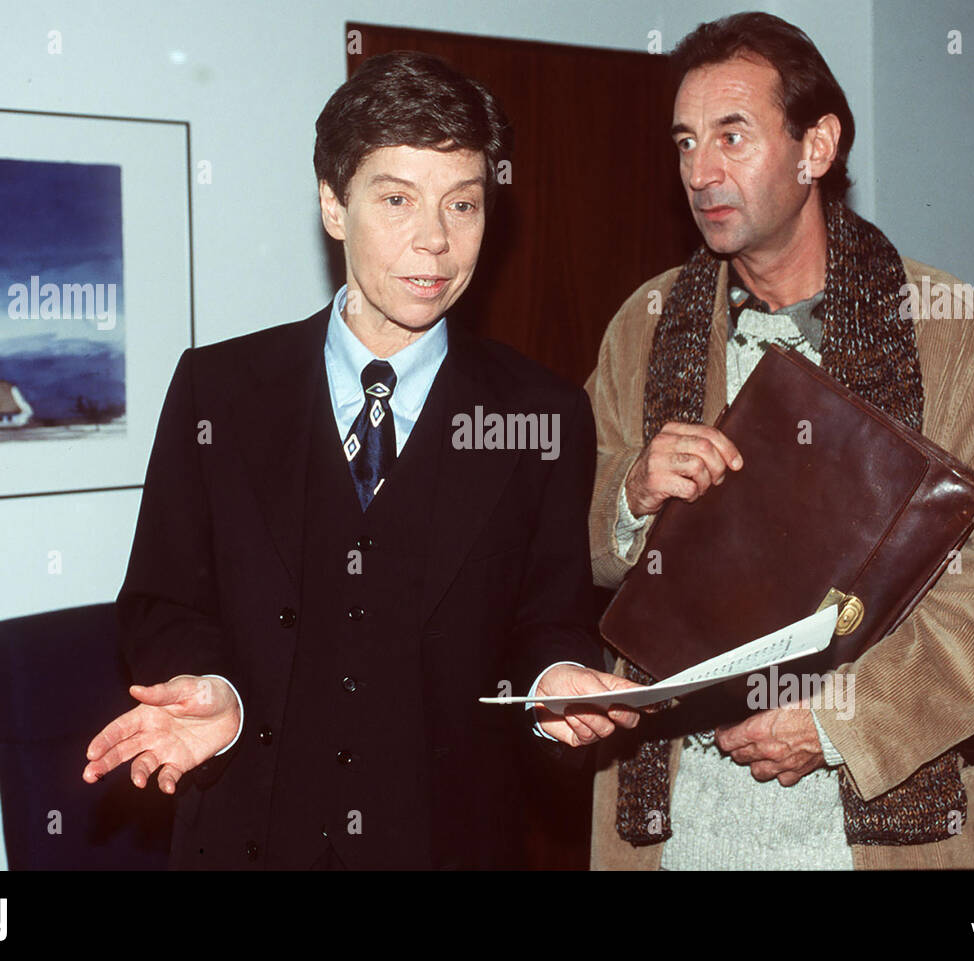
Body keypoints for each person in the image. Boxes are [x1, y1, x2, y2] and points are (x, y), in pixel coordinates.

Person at [81, 50, 639, 870]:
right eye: (396, 199)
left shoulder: (543, 412)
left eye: (464, 204)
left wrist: (554, 678)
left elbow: (545, 618)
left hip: (448, 841)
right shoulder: (219, 391)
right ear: (333, 206)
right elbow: (162, 601)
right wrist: (219, 694)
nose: (436, 242)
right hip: (247, 837)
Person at [585, 12, 974, 869]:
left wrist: (839, 721)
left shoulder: (953, 335)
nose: (701, 171)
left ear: (816, 147)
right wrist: (629, 495)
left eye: (732, 136)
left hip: (880, 828)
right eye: (685, 141)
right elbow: (570, 539)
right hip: (681, 824)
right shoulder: (646, 325)